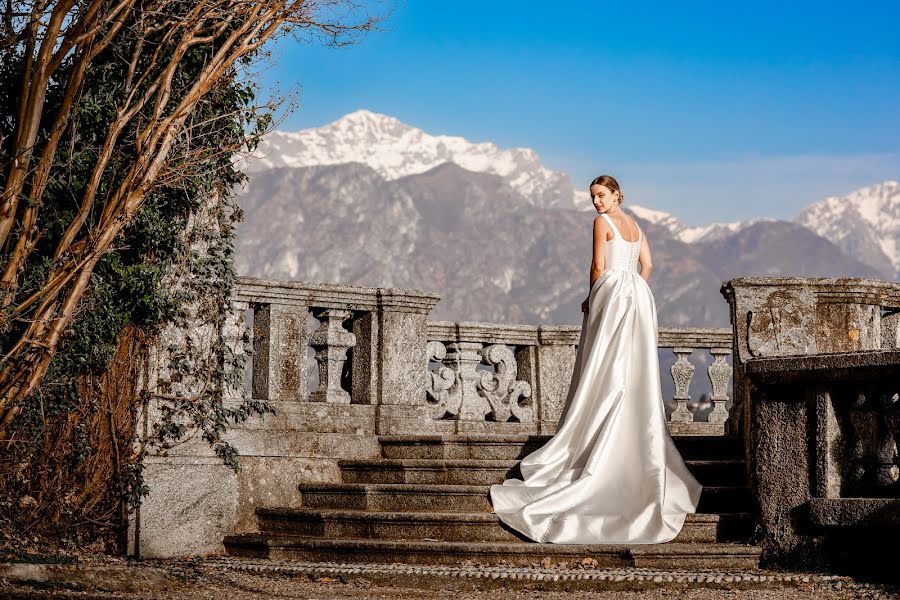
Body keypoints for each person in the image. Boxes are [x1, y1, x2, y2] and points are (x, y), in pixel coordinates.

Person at [489, 175, 702, 544]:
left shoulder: (601, 224)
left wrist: (593, 298)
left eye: (601, 196)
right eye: (592, 198)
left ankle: (597, 439)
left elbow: (597, 267)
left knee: (606, 364)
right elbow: (647, 265)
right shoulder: (636, 225)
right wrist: (634, 286)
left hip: (614, 295)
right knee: (634, 371)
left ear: (616, 194)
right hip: (637, 296)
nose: (596, 203)